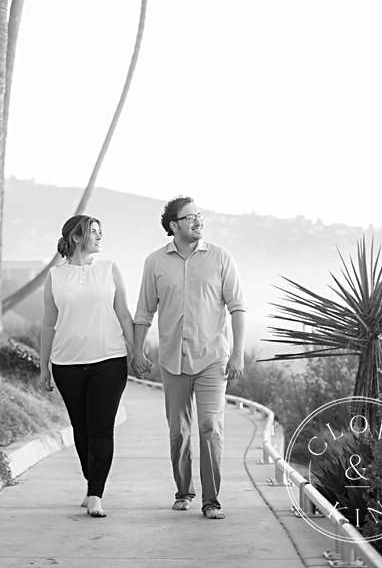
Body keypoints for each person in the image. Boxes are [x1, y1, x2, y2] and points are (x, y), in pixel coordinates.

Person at [133, 196, 246, 520]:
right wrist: (138, 351)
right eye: (190, 217)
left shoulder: (221, 257)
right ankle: (184, 492)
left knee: (210, 426)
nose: (198, 221)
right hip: (173, 359)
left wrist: (237, 354)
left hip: (212, 358)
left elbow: (237, 306)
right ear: (173, 225)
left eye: (200, 215)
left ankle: (211, 501)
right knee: (178, 432)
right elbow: (144, 311)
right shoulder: (155, 262)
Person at [37, 215, 145, 518]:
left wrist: (136, 351)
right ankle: (91, 480)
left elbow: (124, 314)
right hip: (67, 364)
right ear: (76, 237)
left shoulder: (110, 269)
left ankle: (96, 493)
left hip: (108, 361)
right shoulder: (55, 277)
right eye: (93, 232)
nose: (99, 237)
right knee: (81, 430)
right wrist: (44, 366)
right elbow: (48, 322)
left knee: (101, 428)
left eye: (100, 231)